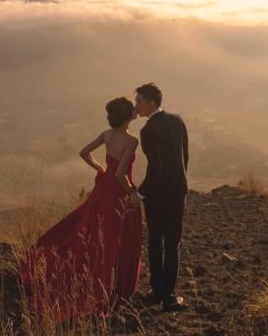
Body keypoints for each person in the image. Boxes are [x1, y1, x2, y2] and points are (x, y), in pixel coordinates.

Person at [18, 97, 143, 320]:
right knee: (115, 237)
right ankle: (115, 286)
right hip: (117, 192)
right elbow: (120, 175)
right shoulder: (131, 141)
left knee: (92, 231)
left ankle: (102, 278)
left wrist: (99, 167)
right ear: (126, 116)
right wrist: (133, 192)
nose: (136, 110)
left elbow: (83, 152)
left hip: (102, 188)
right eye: (132, 109)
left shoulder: (107, 134)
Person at [129, 82, 189, 312]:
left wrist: (140, 193)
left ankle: (156, 290)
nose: (137, 105)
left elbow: (156, 167)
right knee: (173, 243)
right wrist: (181, 183)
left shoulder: (148, 131)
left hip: (157, 195)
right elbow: (184, 157)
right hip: (178, 191)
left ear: (150, 102)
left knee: (156, 241)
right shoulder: (178, 120)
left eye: (139, 101)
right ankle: (170, 295)